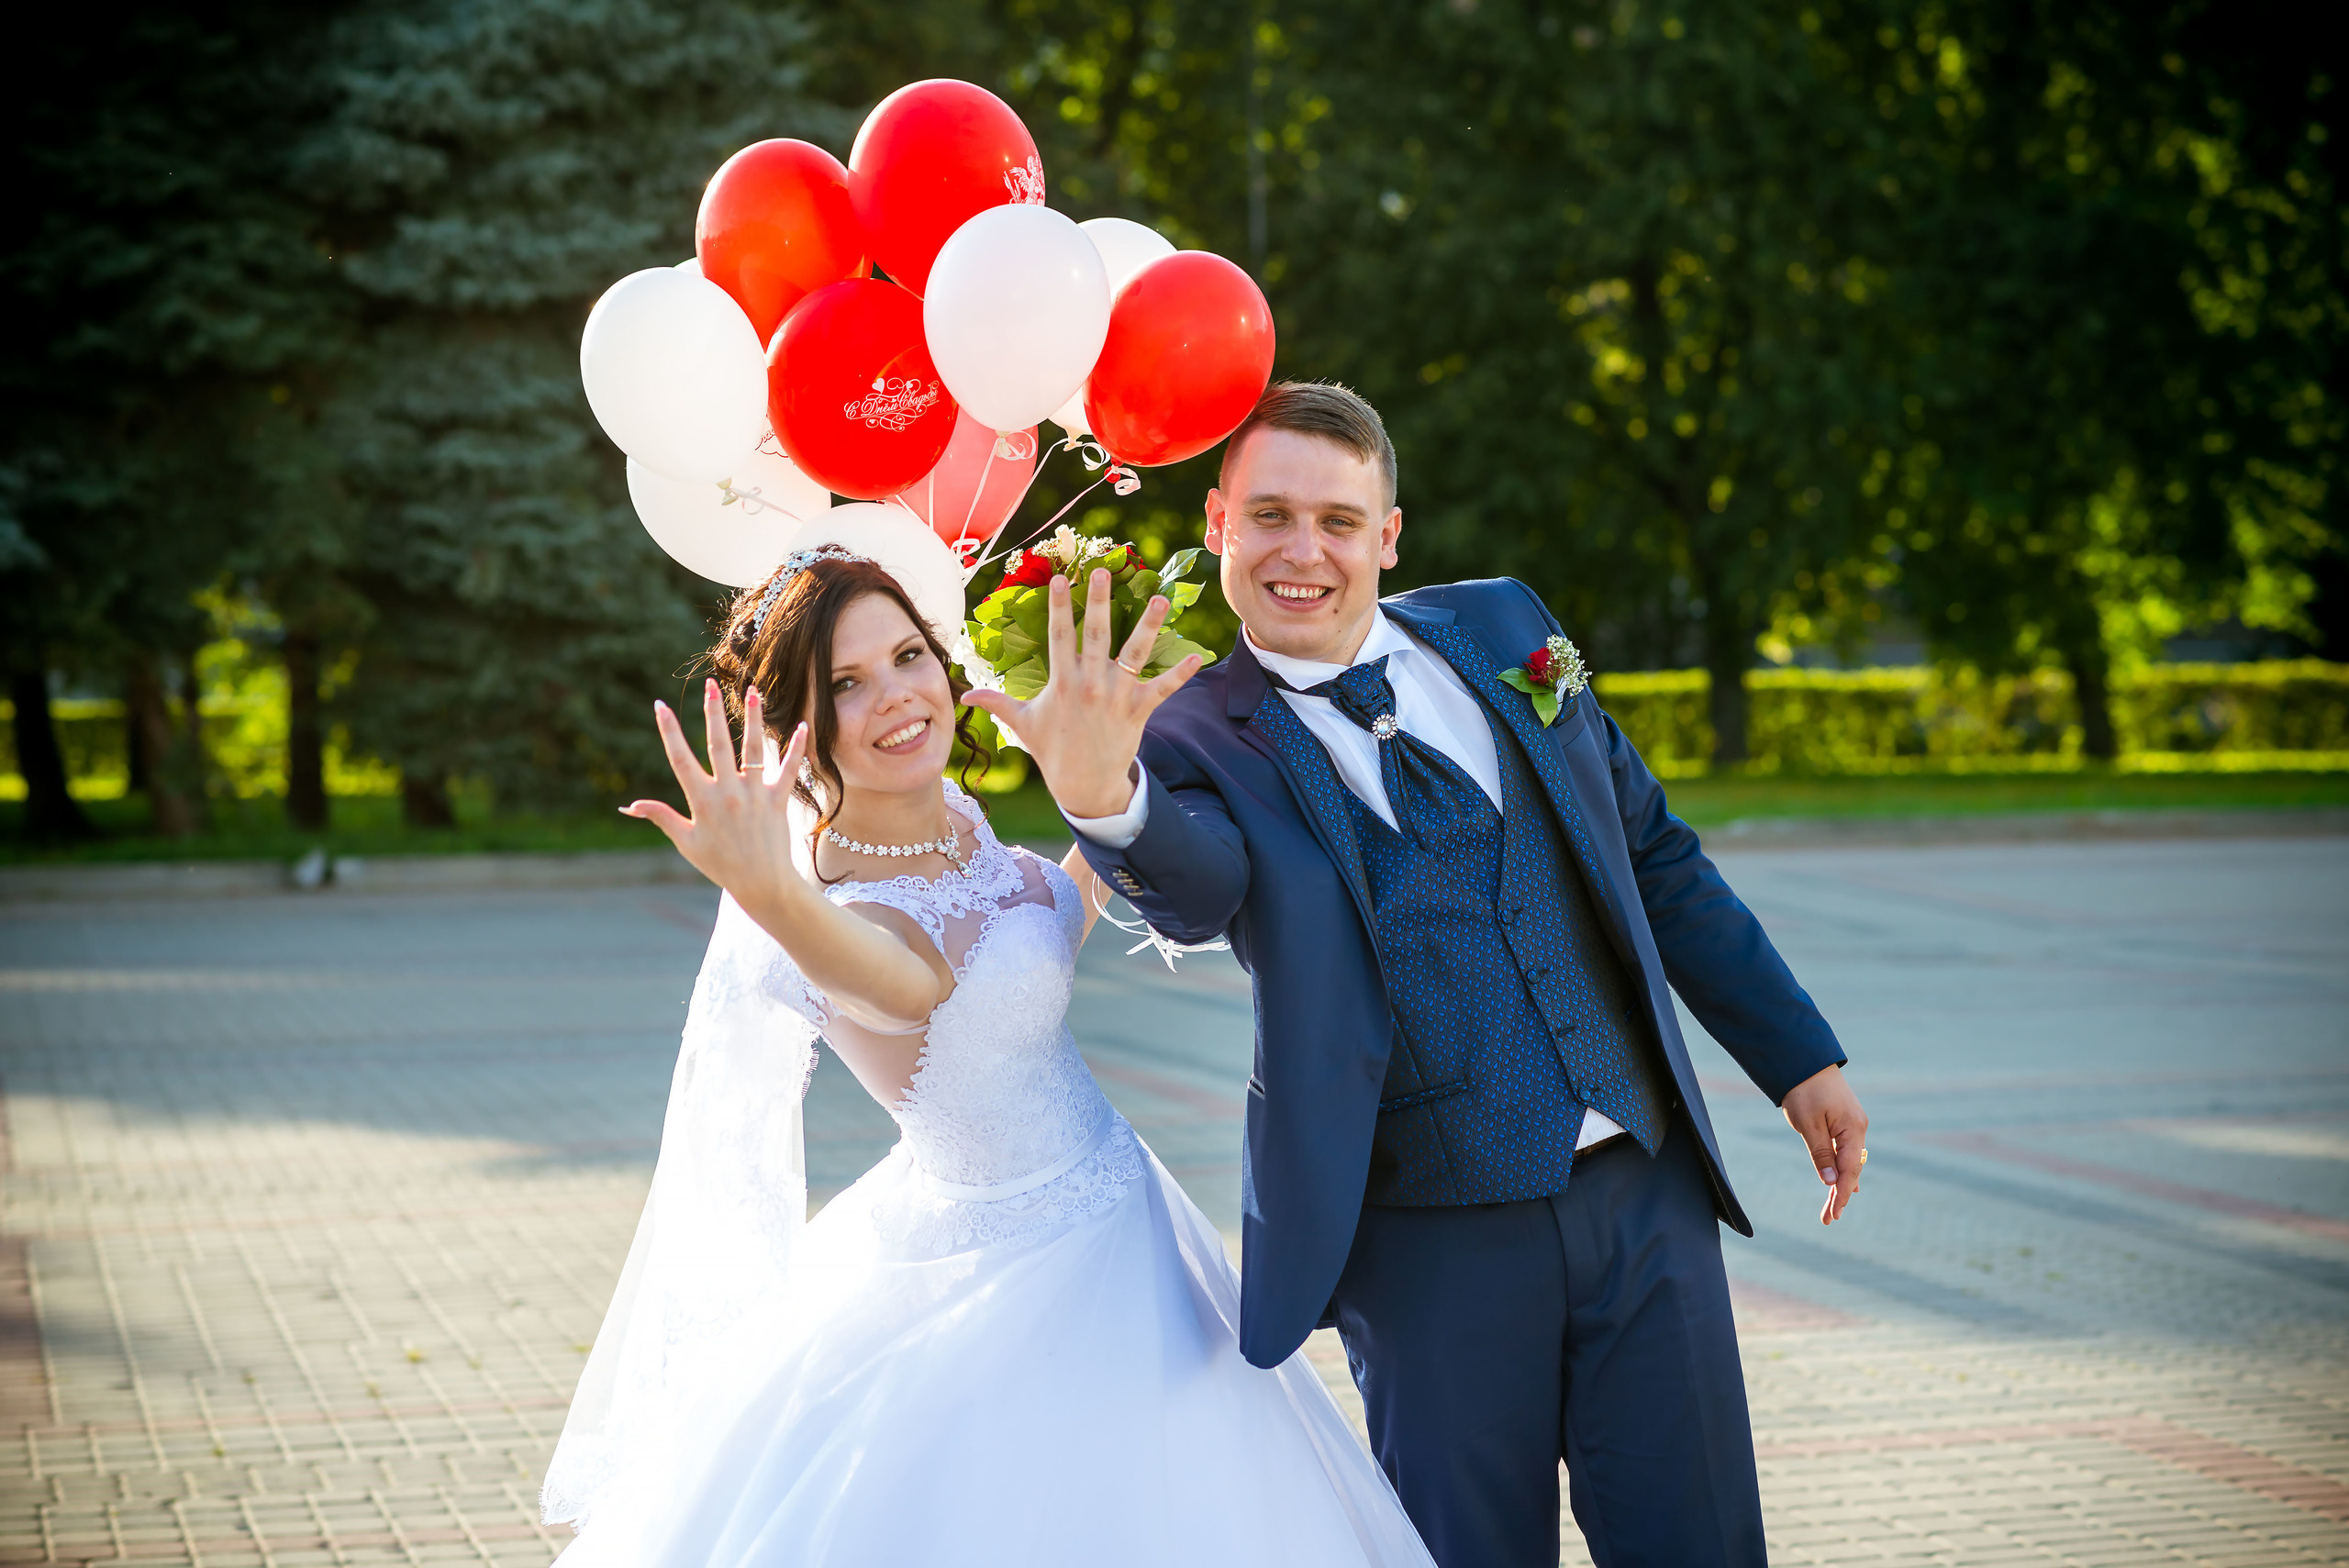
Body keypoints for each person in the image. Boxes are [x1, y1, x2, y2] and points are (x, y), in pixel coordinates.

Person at [976, 383, 1871, 1568]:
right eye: (1273, 516)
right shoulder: (1189, 731)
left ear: (1389, 535)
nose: (1306, 551)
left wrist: (1798, 1054)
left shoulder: (1507, 631)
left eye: (1340, 521)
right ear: (1217, 524)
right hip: (1426, 1245)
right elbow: (1192, 885)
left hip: (1645, 1198)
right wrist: (1103, 796)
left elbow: (1651, 854)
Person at [543, 546, 1436, 1567]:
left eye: (908, 655)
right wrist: (775, 897)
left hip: (1125, 1214)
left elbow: (1043, 921)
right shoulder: (847, 905)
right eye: (846, 683)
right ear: (796, 730)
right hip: (1014, 1278)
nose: (897, 696)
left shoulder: (954, 825)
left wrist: (1104, 779)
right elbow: (905, 983)